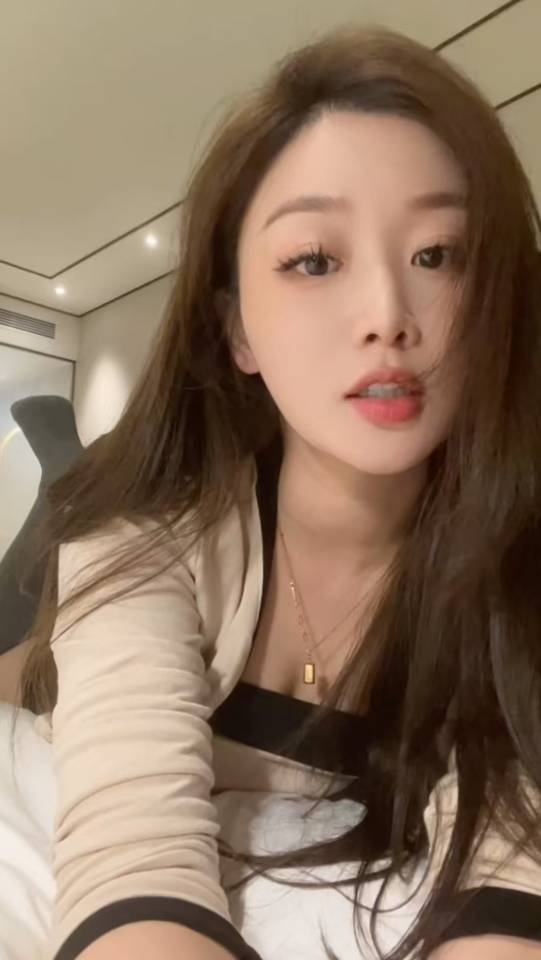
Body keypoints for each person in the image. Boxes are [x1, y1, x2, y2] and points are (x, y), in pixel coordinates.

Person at [10, 23, 541, 960]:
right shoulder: (147, 532)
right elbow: (133, 863)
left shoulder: (511, 569)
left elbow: (511, 868)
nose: (386, 317)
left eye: (438, 253)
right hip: (41, 668)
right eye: (314, 260)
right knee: (77, 497)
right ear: (238, 333)